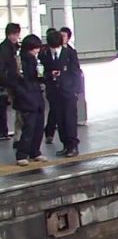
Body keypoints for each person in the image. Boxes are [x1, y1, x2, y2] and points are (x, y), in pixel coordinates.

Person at [40, 29, 82, 157]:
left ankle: (73, 146)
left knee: (69, 119)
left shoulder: (70, 53)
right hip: (54, 92)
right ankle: (65, 145)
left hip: (68, 91)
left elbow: (76, 72)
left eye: (56, 48)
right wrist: (49, 74)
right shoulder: (45, 54)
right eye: (52, 48)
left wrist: (76, 90)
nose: (54, 50)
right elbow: (42, 72)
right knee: (59, 119)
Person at [12, 34, 47, 166]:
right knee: (28, 128)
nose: (37, 51)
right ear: (29, 48)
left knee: (38, 127)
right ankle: (22, 154)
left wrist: (41, 75)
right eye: (35, 48)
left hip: (36, 97)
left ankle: (35, 152)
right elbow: (17, 81)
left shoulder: (35, 60)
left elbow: (38, 77)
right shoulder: (20, 61)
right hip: (26, 98)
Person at [0, 22, 21, 142]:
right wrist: (7, 82)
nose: (15, 37)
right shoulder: (4, 49)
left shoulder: (16, 47)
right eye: (12, 34)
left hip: (13, 81)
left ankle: (8, 133)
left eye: (16, 34)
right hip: (8, 83)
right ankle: (5, 132)